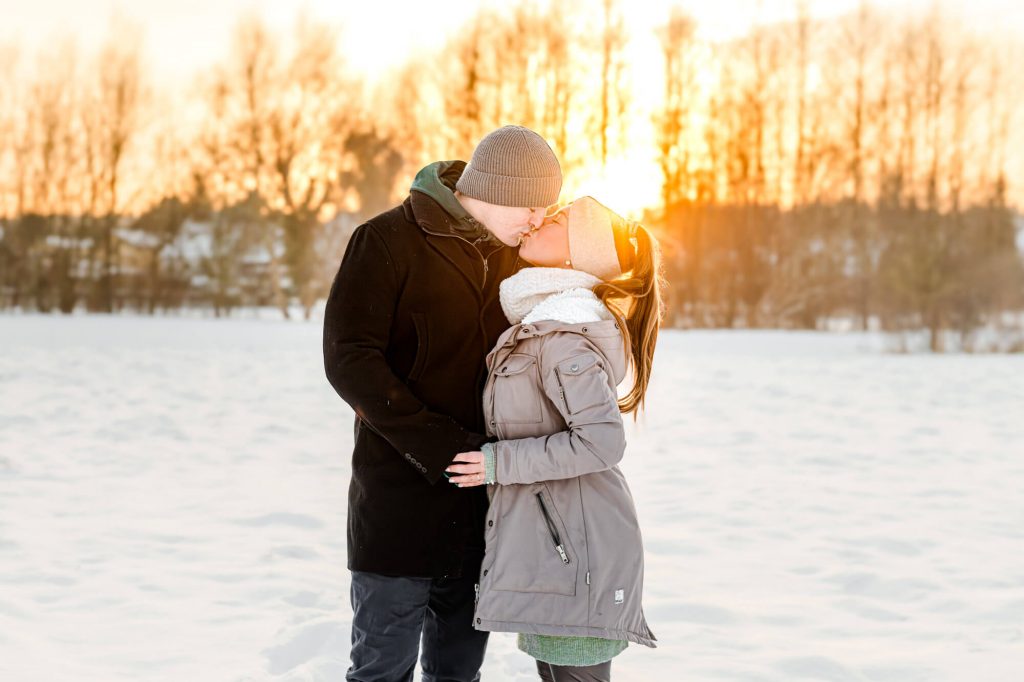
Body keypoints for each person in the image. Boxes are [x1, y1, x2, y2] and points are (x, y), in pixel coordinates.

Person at [322, 125, 563, 682]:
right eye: (531, 206)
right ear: (497, 190)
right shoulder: (385, 241)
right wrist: (440, 447)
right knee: (382, 670)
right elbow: (349, 359)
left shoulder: (520, 261)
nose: (537, 220)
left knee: (458, 673)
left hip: (483, 516)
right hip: (398, 507)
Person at [445, 196, 661, 682]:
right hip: (555, 551)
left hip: (578, 556)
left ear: (575, 257)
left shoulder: (563, 337)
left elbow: (602, 441)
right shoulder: (543, 324)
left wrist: (499, 463)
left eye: (558, 220)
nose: (539, 221)